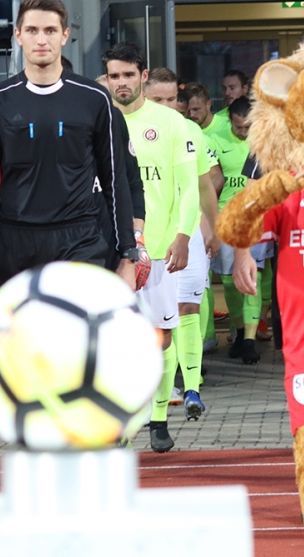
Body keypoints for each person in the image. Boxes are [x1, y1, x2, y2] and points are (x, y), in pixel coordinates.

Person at [0, 0, 138, 296]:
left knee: (75, 327)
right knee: (24, 330)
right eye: (32, 30)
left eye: (50, 30)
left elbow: (115, 181)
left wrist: (128, 255)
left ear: (65, 35)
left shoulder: (94, 98)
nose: (41, 40)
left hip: (80, 239)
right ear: (18, 35)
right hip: (16, 243)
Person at [102, 42, 201, 452]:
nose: (121, 83)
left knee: (160, 338)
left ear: (143, 76)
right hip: (109, 252)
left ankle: (158, 419)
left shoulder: (172, 122)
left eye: (129, 74)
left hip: (158, 250)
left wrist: (184, 235)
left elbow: (190, 187)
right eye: (114, 76)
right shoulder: (98, 118)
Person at [146, 67, 223, 356]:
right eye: (158, 100)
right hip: (144, 241)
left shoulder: (191, 131)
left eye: (171, 100)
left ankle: (192, 377)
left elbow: (204, 184)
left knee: (187, 309)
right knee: (153, 328)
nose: (166, 106)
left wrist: (214, 229)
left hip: (186, 235)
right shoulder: (125, 127)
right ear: (145, 96)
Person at [211, 96, 267, 364]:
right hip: (225, 218)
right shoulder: (216, 140)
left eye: (248, 127)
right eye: (238, 127)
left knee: (254, 278)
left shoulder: (263, 145)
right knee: (229, 281)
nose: (244, 132)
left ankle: (249, 341)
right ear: (230, 121)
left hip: (256, 219)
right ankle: (240, 330)